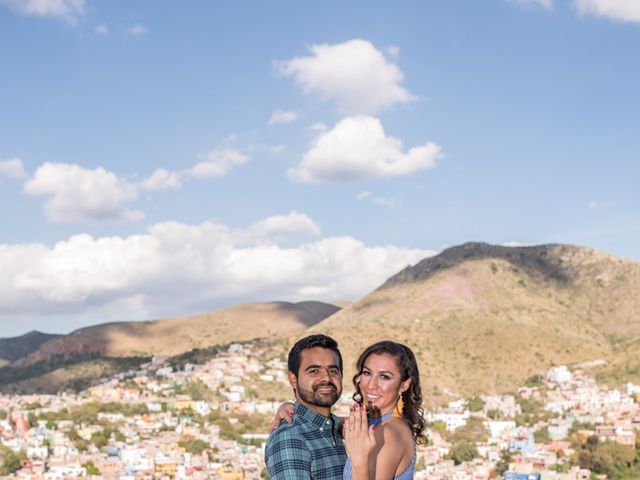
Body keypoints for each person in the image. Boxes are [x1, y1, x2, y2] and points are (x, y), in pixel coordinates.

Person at [269, 340, 426, 480]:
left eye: (384, 377)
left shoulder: (388, 433)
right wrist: (292, 408)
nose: (371, 385)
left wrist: (359, 461)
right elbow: (328, 424)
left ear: (404, 385)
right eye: (366, 373)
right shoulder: (369, 426)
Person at [265, 334, 347, 479]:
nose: (327, 378)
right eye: (314, 371)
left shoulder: (332, 428)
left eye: (333, 371)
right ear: (293, 379)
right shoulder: (290, 437)